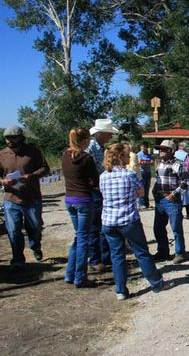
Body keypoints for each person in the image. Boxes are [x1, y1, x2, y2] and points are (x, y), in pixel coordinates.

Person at [100, 143, 172, 300]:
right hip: (128, 219)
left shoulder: (103, 176)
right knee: (141, 252)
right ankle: (156, 282)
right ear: (120, 157)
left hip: (109, 221)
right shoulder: (129, 175)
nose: (129, 158)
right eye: (126, 155)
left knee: (117, 255)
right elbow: (140, 193)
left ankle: (120, 290)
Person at [0, 125, 49, 271]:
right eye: (7, 138)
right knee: (13, 230)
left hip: (32, 197)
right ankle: (17, 260)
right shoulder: (1, 154)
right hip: (11, 198)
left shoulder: (33, 152)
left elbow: (45, 168)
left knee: (34, 227)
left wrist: (32, 176)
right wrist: (3, 181)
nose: (9, 140)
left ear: (21, 137)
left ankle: (35, 246)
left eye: (13, 137)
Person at [61, 127, 99, 287]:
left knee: (79, 237)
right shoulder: (86, 158)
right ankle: (80, 277)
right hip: (84, 199)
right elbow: (95, 180)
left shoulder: (65, 155)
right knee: (84, 239)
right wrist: (90, 183)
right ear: (84, 141)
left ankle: (70, 274)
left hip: (69, 198)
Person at [86, 118, 119, 271]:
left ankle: (104, 257)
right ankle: (94, 259)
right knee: (95, 226)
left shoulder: (99, 147)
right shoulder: (91, 147)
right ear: (101, 133)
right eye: (108, 134)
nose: (110, 137)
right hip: (94, 191)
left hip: (99, 190)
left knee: (102, 225)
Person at [152, 139, 189, 264]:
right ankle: (163, 251)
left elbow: (185, 183)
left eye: (163, 149)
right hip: (160, 200)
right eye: (160, 149)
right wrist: (154, 191)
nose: (160, 152)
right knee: (158, 227)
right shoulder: (159, 163)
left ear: (170, 150)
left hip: (172, 200)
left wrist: (173, 195)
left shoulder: (177, 164)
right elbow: (159, 179)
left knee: (176, 228)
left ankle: (179, 253)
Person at [137, 141, 155, 208]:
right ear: (141, 147)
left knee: (147, 188)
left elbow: (152, 163)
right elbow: (140, 163)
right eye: (143, 146)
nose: (144, 148)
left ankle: (147, 203)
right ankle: (141, 204)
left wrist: (146, 162)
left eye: (145, 146)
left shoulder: (149, 154)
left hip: (148, 172)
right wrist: (147, 162)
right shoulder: (139, 154)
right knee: (142, 188)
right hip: (142, 172)